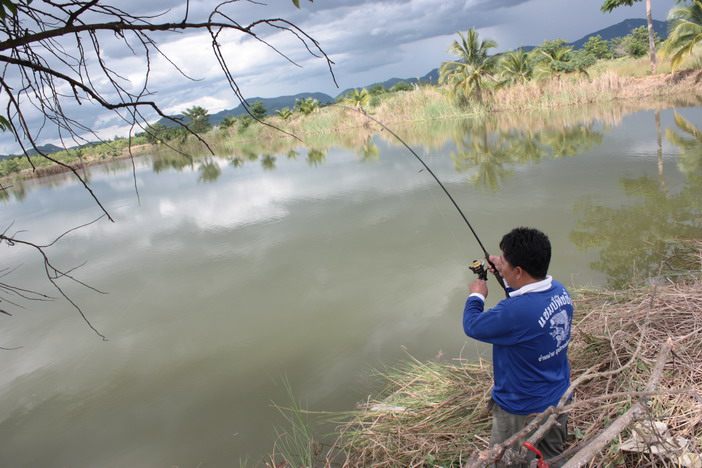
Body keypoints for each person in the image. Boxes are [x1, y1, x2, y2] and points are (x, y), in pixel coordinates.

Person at [462, 227, 573, 468]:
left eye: (503, 261)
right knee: (552, 458)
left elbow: (472, 326)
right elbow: (526, 299)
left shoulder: (515, 312)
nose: (498, 263)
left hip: (521, 406)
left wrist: (477, 295)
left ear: (519, 270)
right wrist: (504, 273)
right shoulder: (560, 291)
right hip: (558, 394)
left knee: (504, 461)